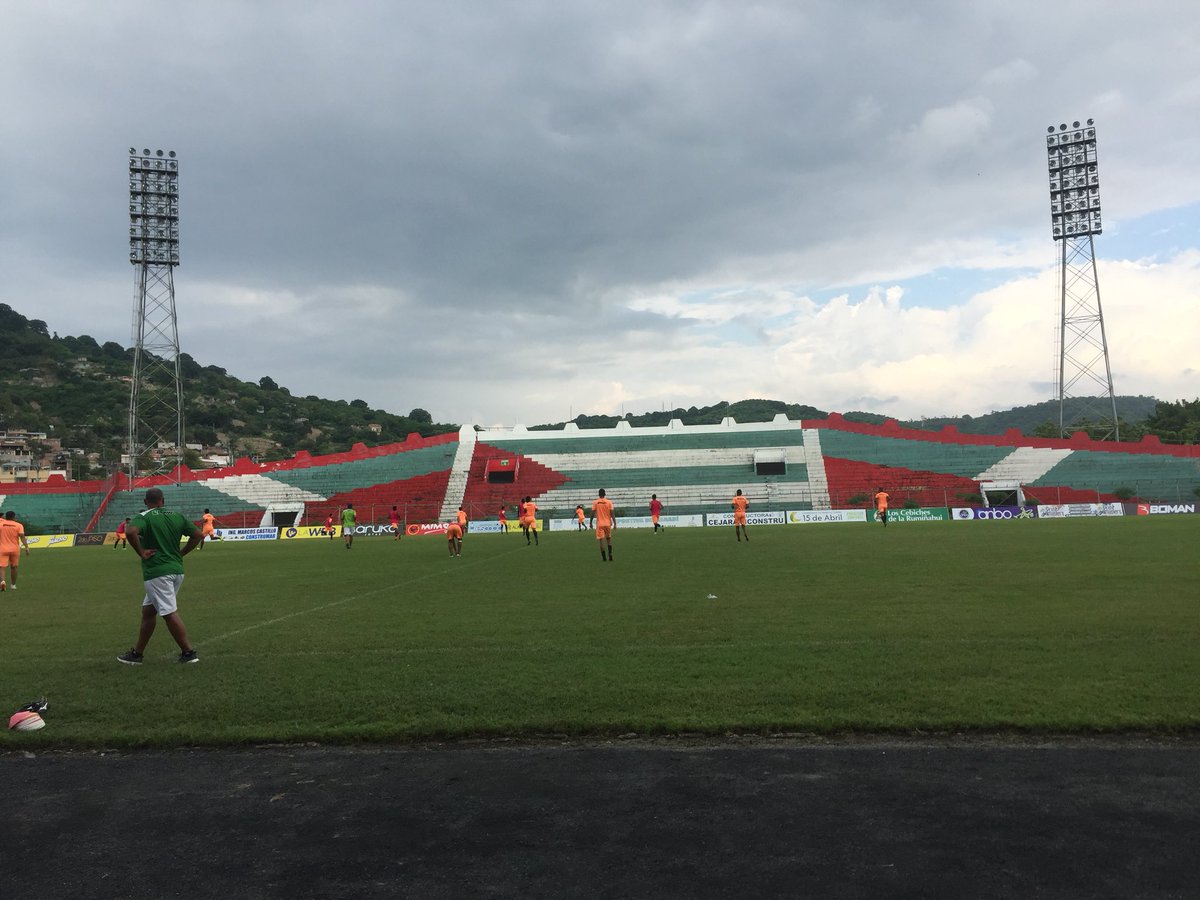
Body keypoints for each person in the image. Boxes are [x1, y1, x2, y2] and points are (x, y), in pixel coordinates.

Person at [117, 488, 203, 665]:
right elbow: (198, 535)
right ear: (163, 500)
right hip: (176, 569)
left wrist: (141, 552)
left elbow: (131, 532)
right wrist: (181, 553)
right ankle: (137, 654)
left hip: (157, 572)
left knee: (169, 612)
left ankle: (188, 653)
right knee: (148, 612)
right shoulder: (177, 516)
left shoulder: (144, 517)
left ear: (145, 501)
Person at [0, 510, 31, 592]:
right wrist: (26, 547)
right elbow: (22, 536)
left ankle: (2, 581)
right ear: (14, 517)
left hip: (2, 548)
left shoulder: (1, 524)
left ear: (5, 517)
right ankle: (13, 585)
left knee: (2, 567)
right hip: (14, 549)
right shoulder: (19, 525)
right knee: (14, 567)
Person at [590, 488, 616, 562]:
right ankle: (610, 554)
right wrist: (615, 523)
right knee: (609, 540)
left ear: (599, 494)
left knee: (601, 541)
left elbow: (592, 513)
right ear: (605, 494)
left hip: (600, 524)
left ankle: (604, 558)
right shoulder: (609, 502)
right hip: (608, 524)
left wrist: (590, 522)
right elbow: (612, 513)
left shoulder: (596, 502)